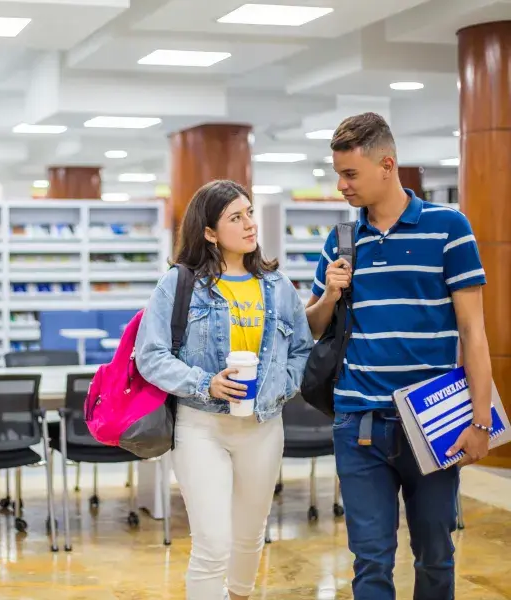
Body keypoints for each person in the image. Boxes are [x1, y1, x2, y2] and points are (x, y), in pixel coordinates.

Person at [306, 112, 493, 600]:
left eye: (350, 174)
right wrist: (330, 294)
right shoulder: (341, 240)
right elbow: (314, 327)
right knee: (370, 560)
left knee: (435, 555)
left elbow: (473, 332)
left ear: (386, 165)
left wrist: (480, 421)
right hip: (358, 422)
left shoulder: (448, 228)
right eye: (338, 174)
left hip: (434, 422)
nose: (341, 186)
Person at [135, 179, 314, 599]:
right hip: (201, 426)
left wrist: (279, 387)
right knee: (213, 543)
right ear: (210, 232)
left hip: (263, 426)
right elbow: (151, 355)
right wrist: (206, 383)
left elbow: (302, 351)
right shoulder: (179, 284)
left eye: (249, 213)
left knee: (250, 536)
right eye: (236, 217)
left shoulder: (278, 286)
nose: (250, 224)